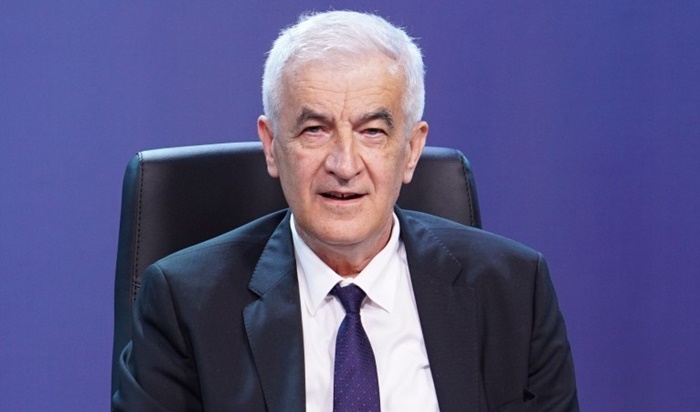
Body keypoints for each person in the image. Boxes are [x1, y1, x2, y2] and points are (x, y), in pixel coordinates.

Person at [112, 10, 578, 411]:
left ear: (411, 150)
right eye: (315, 130)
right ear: (271, 146)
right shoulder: (184, 304)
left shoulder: (515, 290)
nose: (344, 164)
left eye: (372, 132)